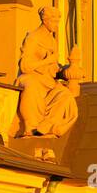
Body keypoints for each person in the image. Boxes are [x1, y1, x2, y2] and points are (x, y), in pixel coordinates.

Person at [16, 7, 78, 136]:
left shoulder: (51, 41)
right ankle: (31, 127)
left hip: (48, 80)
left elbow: (53, 67)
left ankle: (46, 126)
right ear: (45, 20)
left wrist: (65, 70)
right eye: (54, 22)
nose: (56, 26)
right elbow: (24, 66)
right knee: (31, 86)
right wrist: (47, 60)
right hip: (31, 76)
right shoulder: (32, 38)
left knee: (65, 95)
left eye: (58, 22)